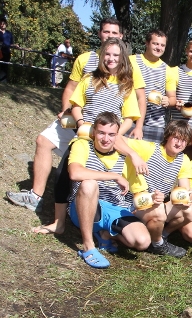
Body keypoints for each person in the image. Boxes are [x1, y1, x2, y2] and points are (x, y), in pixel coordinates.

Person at [7, 37, 145, 238]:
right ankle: (59, 222)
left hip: (109, 139)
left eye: (116, 55)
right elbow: (77, 105)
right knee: (63, 173)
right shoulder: (89, 79)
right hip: (86, 135)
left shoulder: (126, 85)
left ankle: (105, 222)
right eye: (107, 54)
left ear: (122, 58)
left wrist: (114, 135)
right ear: (102, 55)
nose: (111, 58)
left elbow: (130, 117)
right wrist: (81, 124)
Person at [67, 112, 151, 268]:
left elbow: (140, 191)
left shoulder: (126, 158)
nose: (106, 139)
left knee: (142, 241)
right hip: (84, 207)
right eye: (101, 133)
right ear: (94, 132)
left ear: (117, 136)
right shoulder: (82, 145)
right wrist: (114, 176)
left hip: (115, 209)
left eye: (111, 134)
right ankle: (88, 246)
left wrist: (154, 198)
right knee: (89, 184)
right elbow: (75, 173)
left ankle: (105, 234)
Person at [128, 120, 192, 257]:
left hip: (158, 203)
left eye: (184, 140)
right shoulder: (149, 148)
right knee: (159, 208)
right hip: (137, 204)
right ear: (167, 136)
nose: (179, 143)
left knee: (190, 211)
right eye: (176, 138)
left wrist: (186, 197)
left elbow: (185, 188)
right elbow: (117, 139)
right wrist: (133, 155)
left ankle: (163, 235)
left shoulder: (183, 159)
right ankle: (158, 244)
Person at [129, 29, 178, 142]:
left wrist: (167, 101)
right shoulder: (131, 61)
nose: (159, 48)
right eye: (155, 44)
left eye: (162, 45)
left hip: (155, 123)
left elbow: (172, 99)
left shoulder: (167, 70)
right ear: (147, 43)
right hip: (130, 119)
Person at [0, 16, 15, 82]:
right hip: (0, 52)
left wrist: (15, 45)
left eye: (4, 23)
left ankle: (3, 81)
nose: (2, 25)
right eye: (1, 24)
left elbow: (11, 44)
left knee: (5, 67)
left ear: (6, 24)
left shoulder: (9, 34)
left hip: (6, 53)